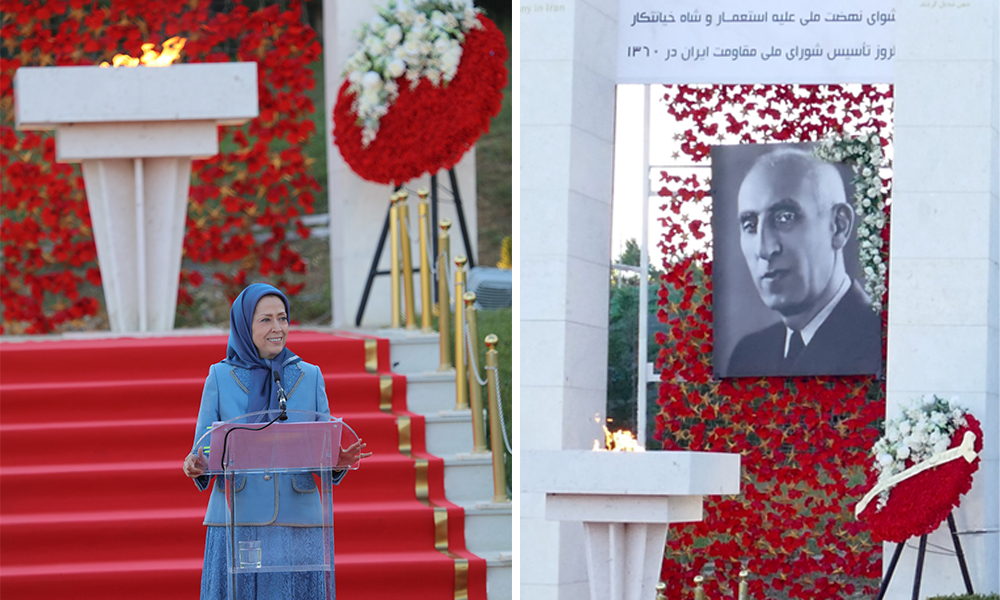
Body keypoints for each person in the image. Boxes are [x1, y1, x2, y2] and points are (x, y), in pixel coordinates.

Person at [182, 283, 371, 599]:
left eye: (282, 318)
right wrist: (196, 463)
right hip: (237, 517)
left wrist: (336, 461)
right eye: (265, 320)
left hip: (296, 518)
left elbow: (323, 442)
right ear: (245, 324)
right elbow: (201, 449)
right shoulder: (219, 376)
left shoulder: (309, 375)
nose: (278, 328)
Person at [726, 147, 881, 377]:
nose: (764, 249)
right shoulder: (748, 354)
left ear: (839, 226)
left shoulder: (882, 342)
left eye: (784, 218)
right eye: (750, 225)